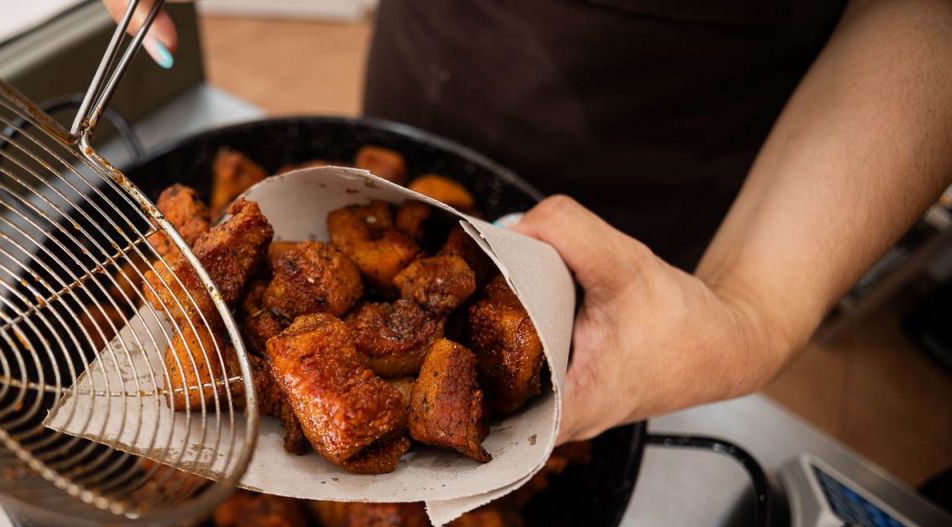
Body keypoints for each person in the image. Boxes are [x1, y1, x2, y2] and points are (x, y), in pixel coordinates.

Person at [106, 0, 952, 441]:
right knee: (386, 202)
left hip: (674, 150)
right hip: (432, 54)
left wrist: (755, 310)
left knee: (582, 386)